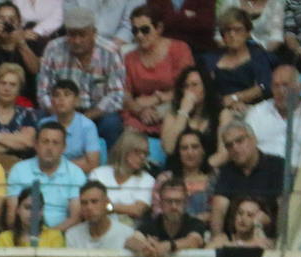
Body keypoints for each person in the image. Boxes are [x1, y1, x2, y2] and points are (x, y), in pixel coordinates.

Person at [36, 6, 125, 148]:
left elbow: (116, 95)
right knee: (41, 117)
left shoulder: (111, 52)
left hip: (96, 114)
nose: (76, 40)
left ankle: (110, 166)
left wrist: (83, 119)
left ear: (94, 33)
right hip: (60, 111)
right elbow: (43, 92)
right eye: (72, 35)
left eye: (82, 35)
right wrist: (61, 115)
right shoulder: (53, 48)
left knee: (112, 122)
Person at [122, 4, 193, 136]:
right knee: (129, 132)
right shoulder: (129, 58)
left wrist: (156, 99)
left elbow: (189, 87)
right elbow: (125, 94)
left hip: (173, 107)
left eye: (145, 30)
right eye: (135, 31)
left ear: (159, 28)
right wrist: (140, 111)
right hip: (141, 113)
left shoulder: (179, 50)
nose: (140, 35)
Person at [209, 119, 283, 234]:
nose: (235, 148)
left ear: (253, 139)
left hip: (270, 237)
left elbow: (285, 206)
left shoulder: (277, 166)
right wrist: (217, 237)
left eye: (239, 141)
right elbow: (219, 209)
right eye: (229, 145)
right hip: (234, 240)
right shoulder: (226, 171)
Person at [5, 122, 83, 232]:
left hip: (62, 235)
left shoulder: (75, 173)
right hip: (24, 234)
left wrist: (49, 236)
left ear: (64, 147)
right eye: (45, 142)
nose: (50, 148)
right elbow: (11, 215)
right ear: (36, 145)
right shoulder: (19, 170)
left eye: (55, 143)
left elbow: (76, 218)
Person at [202, 7, 272, 120]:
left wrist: (235, 98)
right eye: (227, 30)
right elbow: (206, 90)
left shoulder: (258, 55)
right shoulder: (210, 59)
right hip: (217, 109)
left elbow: (264, 87)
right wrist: (229, 103)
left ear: (247, 32)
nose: (232, 35)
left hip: (253, 110)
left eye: (237, 30)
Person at [243, 64, 301, 168]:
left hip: (298, 174)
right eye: (276, 86)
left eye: (285, 85)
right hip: (262, 173)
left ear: (299, 87)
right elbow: (245, 150)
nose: (281, 91)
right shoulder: (257, 112)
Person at [127, 176, 206, 257]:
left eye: (178, 201)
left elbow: (194, 241)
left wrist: (168, 246)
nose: (174, 206)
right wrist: (146, 247)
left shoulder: (195, 223)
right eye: (168, 201)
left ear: (186, 203)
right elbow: (131, 241)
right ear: (160, 203)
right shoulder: (152, 224)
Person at [160, 64, 221, 163]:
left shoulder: (221, 113)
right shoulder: (173, 114)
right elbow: (168, 148)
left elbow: (223, 153)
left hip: (210, 170)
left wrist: (201, 170)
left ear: (206, 87)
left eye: (195, 85)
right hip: (179, 171)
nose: (190, 90)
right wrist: (184, 112)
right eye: (186, 86)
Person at [89, 128, 153, 222]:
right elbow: (90, 206)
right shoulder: (98, 174)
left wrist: (108, 207)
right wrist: (123, 208)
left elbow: (137, 210)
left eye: (145, 153)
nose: (142, 157)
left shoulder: (147, 180)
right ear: (125, 149)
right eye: (137, 151)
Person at [39, 78, 101, 173]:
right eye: (56, 95)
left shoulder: (88, 126)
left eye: (67, 94)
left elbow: (92, 164)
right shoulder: (43, 124)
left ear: (76, 101)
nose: (61, 99)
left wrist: (56, 165)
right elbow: (40, 159)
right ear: (52, 101)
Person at [65, 179, 136, 250]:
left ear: (106, 203)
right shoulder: (73, 235)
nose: (89, 207)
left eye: (94, 201)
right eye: (84, 203)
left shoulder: (126, 235)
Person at [0, 184, 64, 246]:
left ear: (42, 211)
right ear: (18, 210)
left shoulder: (54, 236)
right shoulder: (5, 238)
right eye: (28, 208)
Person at [207, 193, 275, 247]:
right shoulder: (222, 240)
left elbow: (263, 247)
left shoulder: (266, 242)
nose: (243, 218)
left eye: (250, 215)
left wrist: (258, 225)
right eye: (240, 213)